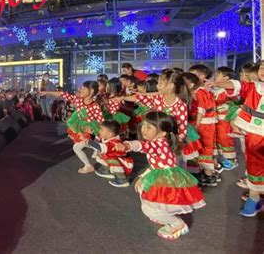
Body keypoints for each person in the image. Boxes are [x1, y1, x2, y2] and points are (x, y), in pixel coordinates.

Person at [115, 111, 205, 240]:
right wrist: (143, 176)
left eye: (149, 127)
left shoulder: (157, 144)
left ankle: (177, 224)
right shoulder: (161, 140)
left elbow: (142, 146)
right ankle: (161, 214)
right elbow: (156, 163)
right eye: (143, 125)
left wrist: (127, 145)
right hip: (160, 173)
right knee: (144, 191)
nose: (144, 129)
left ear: (163, 132)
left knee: (148, 208)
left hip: (166, 178)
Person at [208, 62, 264, 217]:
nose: (263, 71)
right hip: (255, 134)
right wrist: (218, 83)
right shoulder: (252, 88)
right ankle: (254, 199)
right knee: (255, 165)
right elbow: (235, 86)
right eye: (261, 68)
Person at [42, 81, 104, 174]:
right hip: (81, 127)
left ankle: (90, 164)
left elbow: (101, 121)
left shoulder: (95, 106)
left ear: (91, 91)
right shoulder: (78, 100)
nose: (80, 90)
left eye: (83, 88)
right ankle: (99, 149)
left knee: (77, 147)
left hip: (89, 129)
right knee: (86, 145)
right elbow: (62, 94)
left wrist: (97, 134)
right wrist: (47, 92)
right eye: (81, 88)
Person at [183, 72, 218, 186]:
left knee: (204, 147)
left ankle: (209, 174)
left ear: (191, 84)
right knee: (204, 147)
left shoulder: (200, 92)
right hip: (205, 123)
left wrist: (196, 124)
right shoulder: (201, 91)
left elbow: (201, 109)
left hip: (204, 124)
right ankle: (206, 173)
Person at [90, 120, 133, 187]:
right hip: (114, 158)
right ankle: (107, 170)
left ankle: (122, 179)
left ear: (110, 134)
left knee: (110, 159)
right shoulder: (107, 138)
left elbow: (100, 147)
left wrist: (88, 141)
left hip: (123, 163)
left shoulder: (113, 143)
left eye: (102, 130)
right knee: (103, 154)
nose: (99, 131)